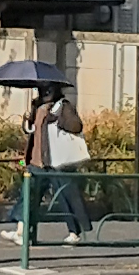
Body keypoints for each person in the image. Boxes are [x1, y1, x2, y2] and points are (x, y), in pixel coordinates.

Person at [24, 81, 93, 244]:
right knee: (30, 197)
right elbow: (33, 130)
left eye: (47, 90)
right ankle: (25, 231)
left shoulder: (63, 107)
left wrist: (58, 120)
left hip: (58, 161)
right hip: (37, 161)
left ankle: (74, 231)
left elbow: (76, 126)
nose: (43, 93)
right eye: (40, 90)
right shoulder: (37, 106)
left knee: (66, 196)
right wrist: (27, 121)